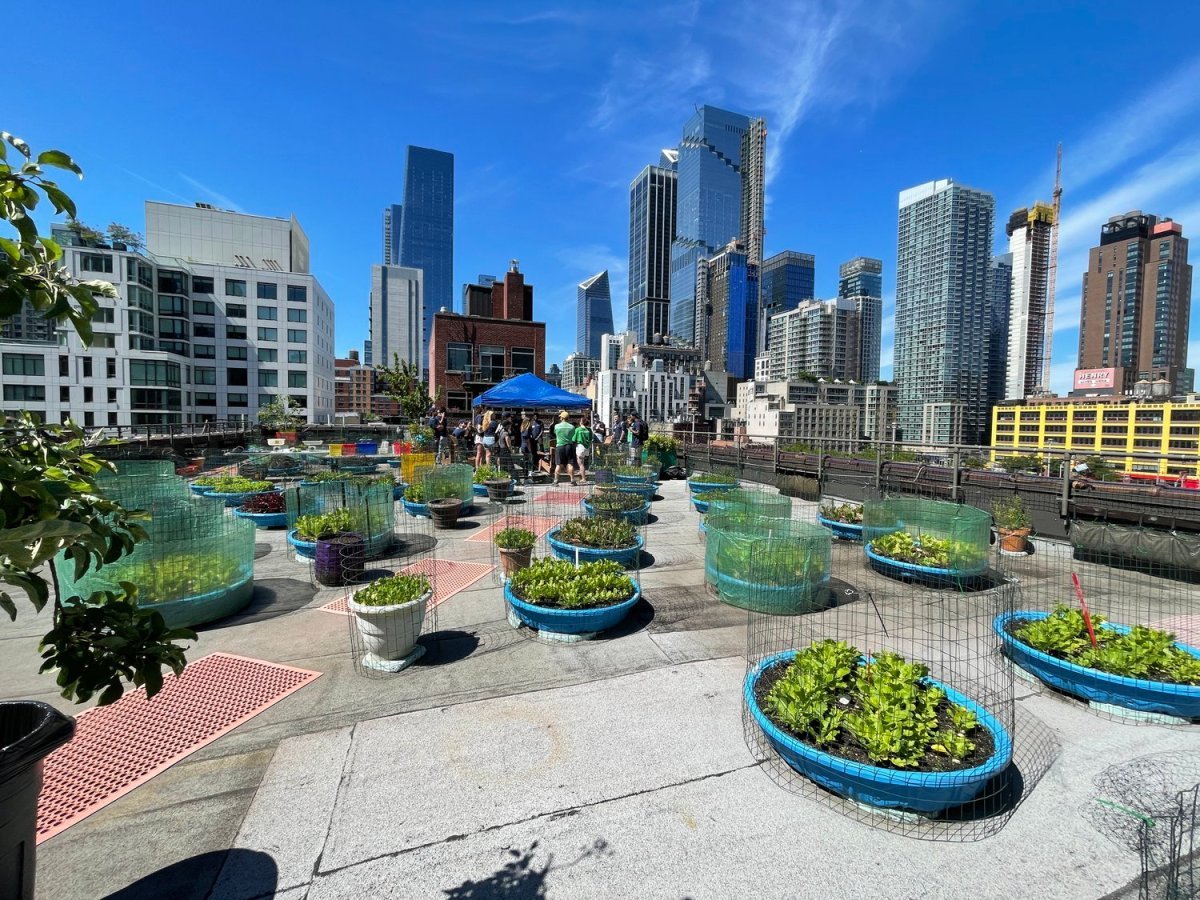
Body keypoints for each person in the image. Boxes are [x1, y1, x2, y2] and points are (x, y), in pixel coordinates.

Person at [552, 410, 576, 483]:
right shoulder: (572, 427)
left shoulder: (556, 426)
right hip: (569, 446)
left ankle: (555, 480)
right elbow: (572, 436)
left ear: (561, 418)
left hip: (560, 446)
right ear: (568, 418)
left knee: (558, 464)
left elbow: (555, 433)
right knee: (570, 464)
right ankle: (572, 479)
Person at [573, 415, 593, 484]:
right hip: (587, 447)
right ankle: (582, 474)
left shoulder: (578, 429)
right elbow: (591, 439)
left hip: (580, 447)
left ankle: (583, 478)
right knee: (583, 462)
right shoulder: (589, 430)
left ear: (581, 422)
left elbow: (574, 439)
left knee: (581, 464)